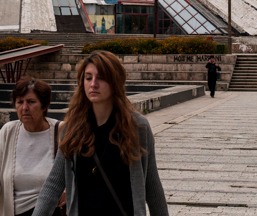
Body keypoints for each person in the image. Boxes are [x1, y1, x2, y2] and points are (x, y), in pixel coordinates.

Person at [32, 50, 168, 216]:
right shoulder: (73, 128)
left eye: (101, 78)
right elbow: (53, 184)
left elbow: (152, 188)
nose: (93, 84)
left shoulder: (137, 127)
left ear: (115, 82)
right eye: (88, 78)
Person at [0, 77, 65, 216]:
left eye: (31, 102)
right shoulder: (8, 131)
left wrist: (68, 190)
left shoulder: (61, 131)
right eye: (20, 102)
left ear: (44, 106)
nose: (24, 108)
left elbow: (78, 175)